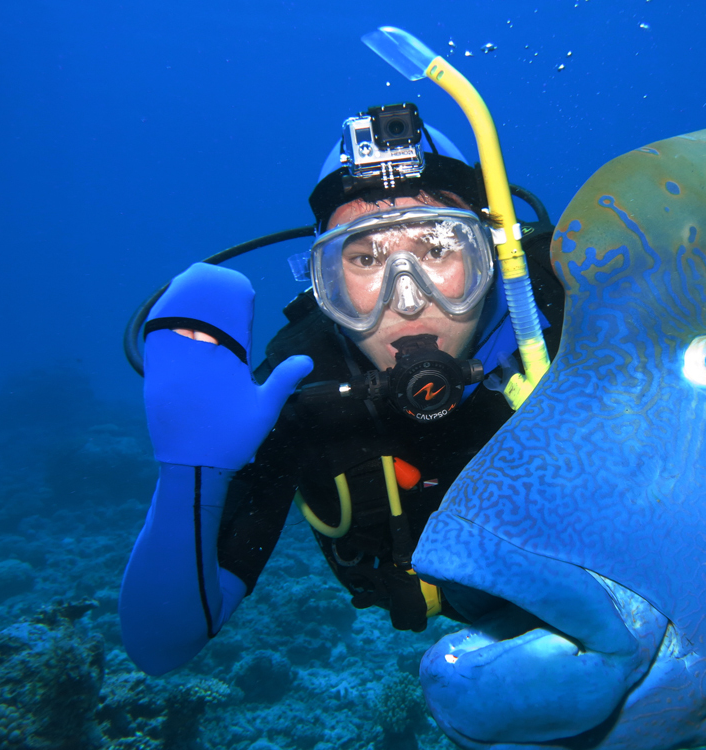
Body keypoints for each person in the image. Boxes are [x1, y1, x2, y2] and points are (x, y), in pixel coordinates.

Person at [118, 103, 564, 676]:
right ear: (324, 281)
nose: (407, 298)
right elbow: (163, 643)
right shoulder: (299, 385)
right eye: (364, 258)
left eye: (437, 248)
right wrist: (190, 470)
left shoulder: (573, 311)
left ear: (493, 255)